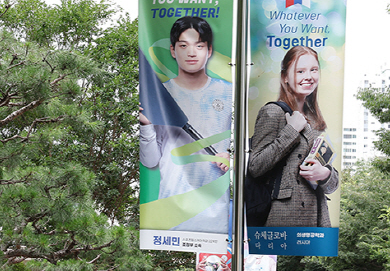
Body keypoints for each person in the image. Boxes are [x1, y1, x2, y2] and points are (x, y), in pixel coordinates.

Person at [139, 16, 233, 233]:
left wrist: (231, 155)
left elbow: (247, 147)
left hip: (214, 213)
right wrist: (146, 127)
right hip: (172, 212)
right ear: (173, 50)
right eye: (184, 46)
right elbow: (151, 161)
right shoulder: (160, 96)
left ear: (209, 50)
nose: (192, 53)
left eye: (199, 46)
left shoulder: (229, 93)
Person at [248, 45, 339, 227]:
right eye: (300, 71)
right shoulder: (272, 112)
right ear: (285, 78)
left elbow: (332, 186)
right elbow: (255, 166)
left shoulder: (315, 121)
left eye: (313, 70)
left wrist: (324, 173)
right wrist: (291, 131)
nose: (308, 77)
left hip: (317, 221)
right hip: (281, 221)